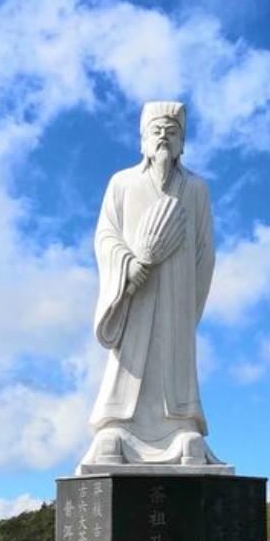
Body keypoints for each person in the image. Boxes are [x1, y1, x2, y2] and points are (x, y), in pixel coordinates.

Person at [78, 100, 224, 471]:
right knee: (131, 353)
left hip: (177, 290)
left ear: (182, 143)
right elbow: (105, 236)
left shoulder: (195, 189)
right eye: (156, 131)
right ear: (142, 139)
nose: (163, 137)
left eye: (172, 132)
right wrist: (128, 268)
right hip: (135, 291)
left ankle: (181, 425)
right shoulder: (122, 183)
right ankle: (117, 425)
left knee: (173, 354)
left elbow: (205, 250)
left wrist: (188, 297)